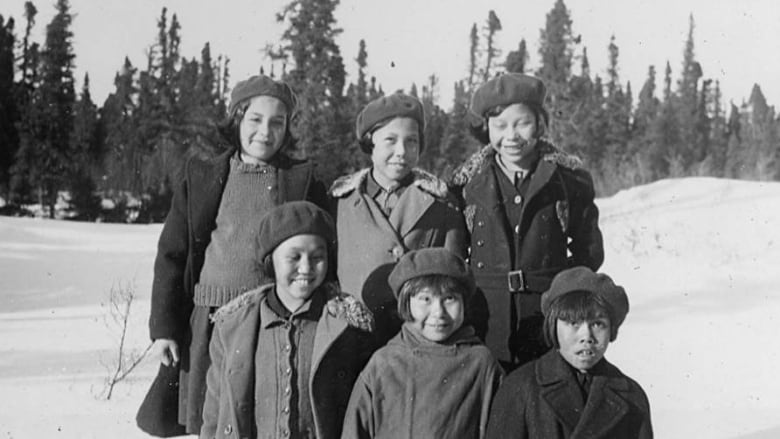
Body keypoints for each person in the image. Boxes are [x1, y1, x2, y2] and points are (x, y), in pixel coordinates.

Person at [140, 75, 328, 436]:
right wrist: (164, 327)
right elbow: (172, 254)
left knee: (257, 414)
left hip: (268, 321)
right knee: (210, 415)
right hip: (209, 320)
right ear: (237, 119)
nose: (265, 131)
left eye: (277, 122)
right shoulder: (204, 175)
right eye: (255, 120)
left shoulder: (300, 180)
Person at [449, 73, 604, 371]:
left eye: (522, 123)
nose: (512, 136)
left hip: (547, 320)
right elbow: (456, 255)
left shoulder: (568, 180)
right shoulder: (466, 186)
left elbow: (590, 251)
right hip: (485, 319)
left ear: (540, 124)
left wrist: (561, 293)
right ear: (486, 128)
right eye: (500, 126)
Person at [200, 201, 374, 439]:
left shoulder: (347, 326)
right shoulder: (232, 326)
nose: (306, 268)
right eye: (294, 257)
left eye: (317, 257)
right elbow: (214, 412)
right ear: (270, 260)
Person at [330, 93, 467, 348]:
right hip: (352, 338)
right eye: (390, 141)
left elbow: (452, 276)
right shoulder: (341, 202)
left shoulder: (441, 203)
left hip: (418, 339)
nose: (401, 152)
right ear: (370, 142)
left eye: (411, 142)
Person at [342, 248, 503, 439]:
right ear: (406, 303)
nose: (439, 312)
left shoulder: (480, 363)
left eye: (449, 298)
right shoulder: (384, 363)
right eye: (425, 299)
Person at [485, 267, 653, 439]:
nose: (586, 336)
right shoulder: (520, 387)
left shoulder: (631, 396)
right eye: (573, 323)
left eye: (597, 324)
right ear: (553, 326)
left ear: (612, 330)